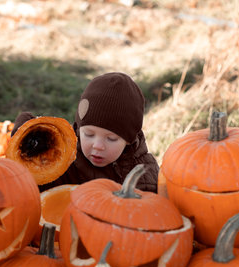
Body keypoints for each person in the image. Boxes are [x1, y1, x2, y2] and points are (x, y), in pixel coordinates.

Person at [12, 72, 159, 193]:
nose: (98, 146)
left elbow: (148, 213)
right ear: (78, 129)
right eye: (89, 134)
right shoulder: (65, 158)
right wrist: (26, 137)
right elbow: (34, 190)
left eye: (111, 138)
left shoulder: (144, 174)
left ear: (129, 140)